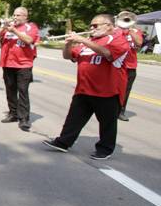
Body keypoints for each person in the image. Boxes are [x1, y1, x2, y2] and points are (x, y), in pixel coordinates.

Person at [43, 14, 129, 160]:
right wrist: (69, 43)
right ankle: (63, 142)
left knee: (107, 123)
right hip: (84, 88)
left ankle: (105, 149)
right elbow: (68, 56)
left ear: (109, 25)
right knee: (74, 118)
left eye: (96, 25)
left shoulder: (117, 40)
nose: (91, 28)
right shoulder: (89, 41)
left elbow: (108, 54)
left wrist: (82, 39)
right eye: (91, 25)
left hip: (106, 91)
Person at [0, 7, 39, 131]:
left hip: (24, 65)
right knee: (10, 90)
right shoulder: (8, 28)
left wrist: (14, 31)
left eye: (18, 15)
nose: (15, 17)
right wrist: (4, 27)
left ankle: (24, 119)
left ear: (25, 17)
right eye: (14, 15)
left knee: (23, 91)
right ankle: (13, 113)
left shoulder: (31, 27)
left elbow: (29, 40)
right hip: (8, 63)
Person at [118, 21, 144, 121]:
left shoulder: (136, 31)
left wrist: (130, 31)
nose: (126, 22)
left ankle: (121, 111)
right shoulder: (116, 31)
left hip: (130, 66)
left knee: (126, 91)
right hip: (117, 65)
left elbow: (139, 43)